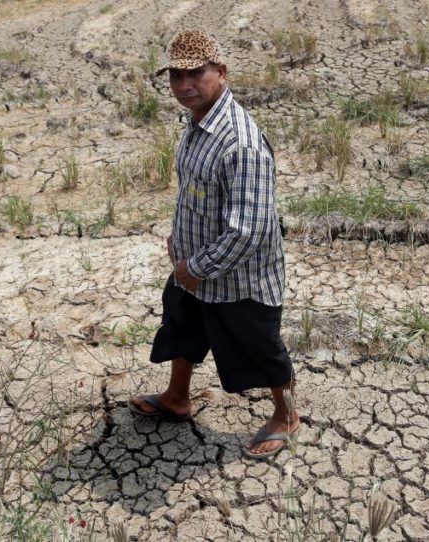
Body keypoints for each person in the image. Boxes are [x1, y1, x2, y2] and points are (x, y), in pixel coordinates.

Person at [128, 30, 298, 459]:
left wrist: (197, 266)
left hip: (236, 277)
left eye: (196, 74)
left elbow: (250, 229)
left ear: (220, 73)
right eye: (176, 76)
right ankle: (177, 398)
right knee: (183, 328)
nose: (184, 85)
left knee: (261, 349)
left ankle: (286, 415)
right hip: (192, 264)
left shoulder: (240, 142)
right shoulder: (197, 122)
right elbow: (194, 192)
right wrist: (179, 239)